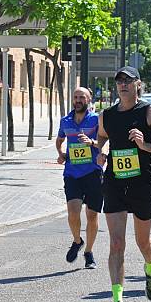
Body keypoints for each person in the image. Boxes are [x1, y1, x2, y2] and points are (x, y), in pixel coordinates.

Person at [96, 66, 151, 302]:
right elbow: (101, 138)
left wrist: (145, 146)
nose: (123, 85)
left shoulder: (149, 112)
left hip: (141, 184)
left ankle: (150, 269)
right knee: (116, 244)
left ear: (138, 84)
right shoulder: (106, 116)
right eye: (119, 81)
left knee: (143, 243)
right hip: (114, 183)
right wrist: (100, 151)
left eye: (128, 81)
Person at [56, 87, 102, 268]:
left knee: (92, 215)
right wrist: (61, 153)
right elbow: (59, 140)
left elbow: (105, 142)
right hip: (72, 173)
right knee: (73, 212)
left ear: (89, 99)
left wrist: (92, 142)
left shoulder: (97, 120)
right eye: (75, 97)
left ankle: (89, 252)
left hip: (93, 172)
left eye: (82, 97)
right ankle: (77, 241)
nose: (78, 100)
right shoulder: (65, 121)